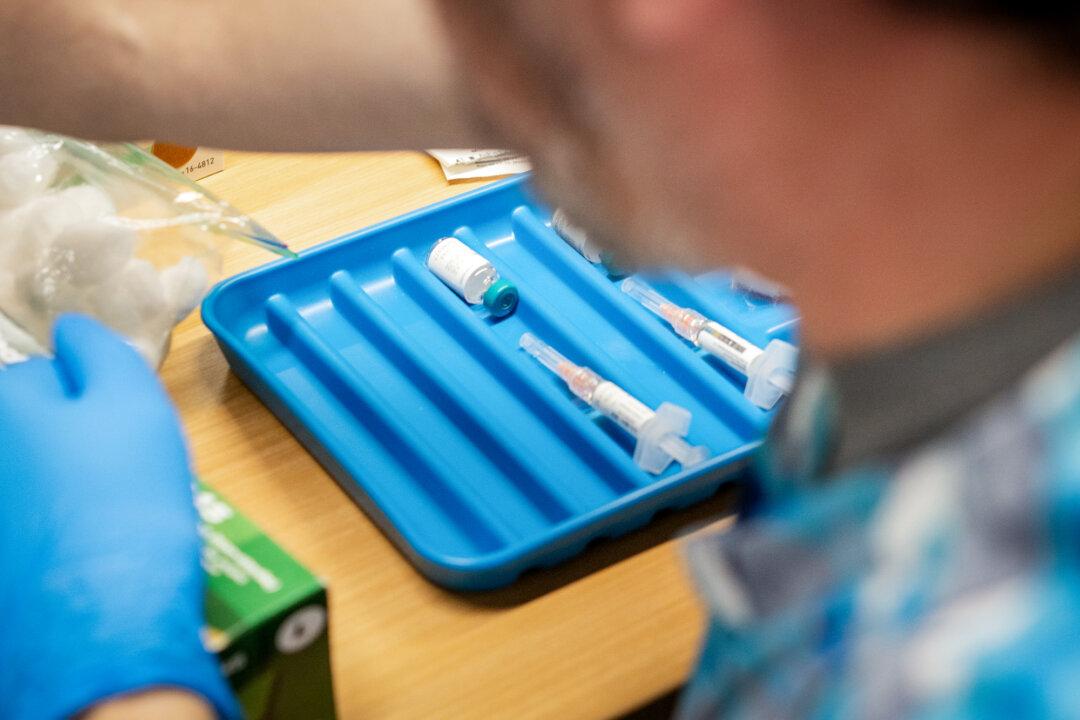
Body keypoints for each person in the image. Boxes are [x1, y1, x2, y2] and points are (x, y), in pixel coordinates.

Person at [6, 0, 1080, 717]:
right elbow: (140, 42)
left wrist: (122, 683)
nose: (461, 49)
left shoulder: (978, 663)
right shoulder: (922, 143)